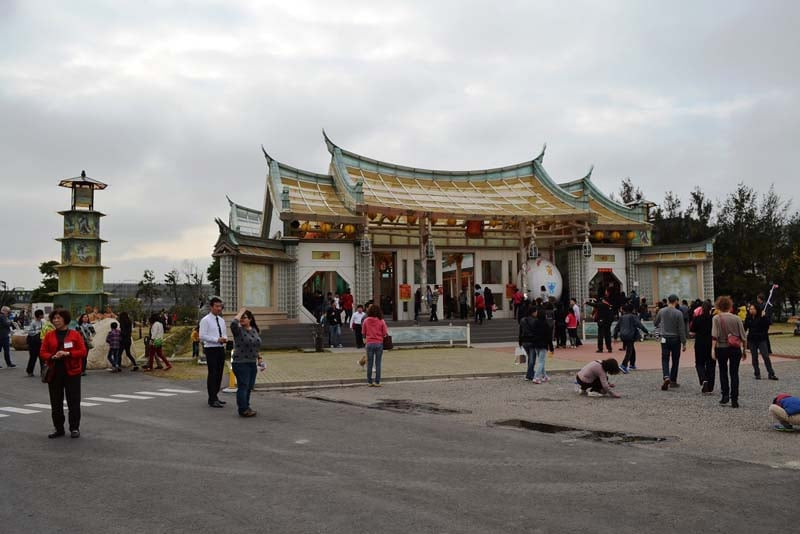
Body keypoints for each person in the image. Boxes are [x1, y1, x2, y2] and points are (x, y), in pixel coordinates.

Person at [40, 309, 87, 438]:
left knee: (74, 401)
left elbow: (83, 351)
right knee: (56, 402)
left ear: (65, 319)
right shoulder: (49, 335)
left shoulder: (75, 334)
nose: (56, 320)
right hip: (54, 372)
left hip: (72, 372)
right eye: (54, 318)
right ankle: (58, 428)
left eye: (58, 318)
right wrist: (52, 356)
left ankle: (74, 427)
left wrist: (68, 353)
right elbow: (42, 352)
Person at [712, 295, 747, 408]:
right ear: (730, 306)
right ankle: (735, 399)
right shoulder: (736, 318)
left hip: (721, 347)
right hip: (735, 348)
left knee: (723, 371)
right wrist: (744, 350)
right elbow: (743, 336)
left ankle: (725, 396)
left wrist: (713, 350)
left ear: (718, 306)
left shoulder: (716, 318)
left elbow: (714, 336)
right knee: (734, 373)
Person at [230, 308, 262, 417]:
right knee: (243, 386)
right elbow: (233, 323)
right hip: (240, 363)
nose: (242, 319)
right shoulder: (238, 330)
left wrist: (259, 358)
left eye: (245, 317)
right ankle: (242, 409)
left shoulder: (254, 330)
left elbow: (256, 346)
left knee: (248, 387)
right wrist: (240, 312)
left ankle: (247, 406)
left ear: (250, 319)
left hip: (252, 362)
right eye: (241, 317)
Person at [654, 294, 687, 391]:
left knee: (665, 358)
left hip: (664, 338)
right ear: (676, 301)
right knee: (675, 359)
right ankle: (673, 380)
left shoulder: (661, 311)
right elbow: (681, 329)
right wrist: (684, 342)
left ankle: (666, 376)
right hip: (675, 338)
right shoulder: (678, 313)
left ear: (668, 301)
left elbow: (656, 323)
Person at [200, 297, 228, 408]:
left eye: (220, 306)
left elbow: (224, 333)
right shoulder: (205, 320)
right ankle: (212, 398)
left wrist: (224, 338)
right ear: (211, 307)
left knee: (220, 373)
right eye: (216, 306)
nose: (219, 308)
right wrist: (216, 339)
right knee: (213, 373)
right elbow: (202, 336)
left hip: (220, 348)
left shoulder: (221, 320)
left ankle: (215, 396)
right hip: (211, 348)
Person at [745, 304, 777, 380]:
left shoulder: (761, 316)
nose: (751, 311)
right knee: (754, 357)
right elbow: (745, 327)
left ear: (757, 310)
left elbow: (768, 324)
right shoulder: (748, 318)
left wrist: (764, 317)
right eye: (750, 309)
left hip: (761, 339)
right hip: (752, 339)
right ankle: (757, 373)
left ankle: (771, 373)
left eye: (753, 309)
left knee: (765, 356)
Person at [519, 308, 552, 383]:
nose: (537, 313)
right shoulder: (536, 321)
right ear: (533, 313)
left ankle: (544, 376)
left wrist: (520, 341)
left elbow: (520, 331)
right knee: (533, 360)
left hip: (525, 341)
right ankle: (532, 376)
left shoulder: (522, 320)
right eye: (536, 311)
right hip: (533, 342)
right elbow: (546, 335)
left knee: (537, 360)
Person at [614, 304, 649, 373]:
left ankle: (632, 364)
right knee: (629, 351)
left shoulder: (622, 317)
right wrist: (646, 331)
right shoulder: (633, 317)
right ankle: (624, 365)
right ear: (632, 310)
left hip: (623, 335)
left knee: (632, 349)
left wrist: (615, 336)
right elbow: (639, 325)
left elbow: (617, 327)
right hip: (630, 335)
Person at [690, 300, 715, 394]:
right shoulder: (713, 318)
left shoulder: (697, 318)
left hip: (700, 342)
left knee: (699, 363)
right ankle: (710, 386)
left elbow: (692, 331)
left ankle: (703, 378)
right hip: (711, 342)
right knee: (711, 364)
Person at [362, 304, 387, 387]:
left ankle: (369, 381)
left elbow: (363, 332)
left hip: (369, 343)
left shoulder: (366, 320)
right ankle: (377, 381)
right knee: (378, 363)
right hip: (379, 343)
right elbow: (384, 333)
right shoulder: (381, 321)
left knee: (370, 363)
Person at [25, 309, 45, 376]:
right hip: (33, 343)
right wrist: (37, 332)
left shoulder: (43, 322)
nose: (43, 315)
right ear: (39, 315)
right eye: (42, 314)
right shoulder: (33, 323)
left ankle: (43, 372)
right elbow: (29, 332)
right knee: (33, 357)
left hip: (40, 342)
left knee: (42, 358)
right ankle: (29, 371)